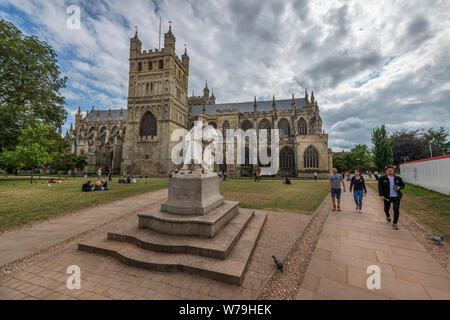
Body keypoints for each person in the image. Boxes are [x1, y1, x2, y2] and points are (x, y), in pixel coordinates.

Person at [378, 165, 405, 230]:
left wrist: (399, 187)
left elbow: (403, 185)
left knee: (396, 209)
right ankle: (388, 216)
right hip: (387, 196)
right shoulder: (382, 178)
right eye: (388, 170)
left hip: (396, 196)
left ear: (393, 170)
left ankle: (395, 223)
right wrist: (381, 195)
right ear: (386, 171)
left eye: (391, 170)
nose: (390, 171)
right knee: (386, 209)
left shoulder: (398, 178)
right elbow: (380, 187)